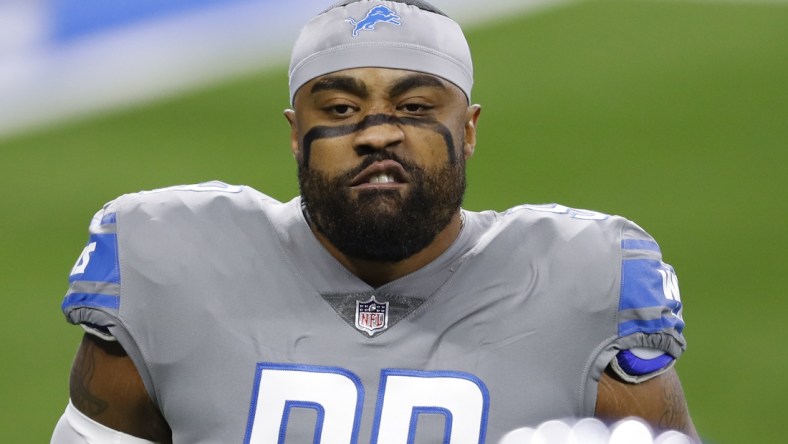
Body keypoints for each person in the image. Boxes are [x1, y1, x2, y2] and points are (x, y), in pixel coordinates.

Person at [51, 0, 699, 442]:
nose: (378, 133)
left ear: (467, 129)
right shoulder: (170, 260)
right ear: (296, 132)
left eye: (415, 106)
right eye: (339, 107)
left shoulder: (584, 280)